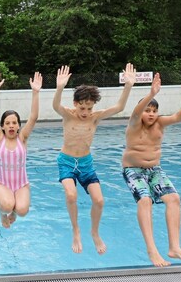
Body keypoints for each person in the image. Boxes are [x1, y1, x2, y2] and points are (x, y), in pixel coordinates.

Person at [122, 73, 181, 267]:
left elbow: (178, 116)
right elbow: (136, 113)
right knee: (145, 200)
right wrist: (151, 92)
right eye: (147, 110)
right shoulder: (135, 124)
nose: (150, 114)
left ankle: (174, 247)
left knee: (174, 199)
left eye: (154, 110)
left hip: (154, 170)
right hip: (133, 170)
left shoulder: (160, 123)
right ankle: (152, 251)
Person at [52, 63, 136, 255]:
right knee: (71, 195)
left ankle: (95, 232)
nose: (85, 113)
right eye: (82, 108)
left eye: (89, 108)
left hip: (86, 163)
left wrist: (128, 85)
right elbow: (55, 105)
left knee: (99, 201)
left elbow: (119, 107)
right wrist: (59, 88)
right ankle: (76, 231)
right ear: (75, 104)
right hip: (66, 161)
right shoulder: (68, 115)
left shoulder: (95, 117)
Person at [0, 71, 42, 228]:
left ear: (18, 125)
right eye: (7, 123)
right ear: (3, 126)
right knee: (6, 205)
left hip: (22, 184)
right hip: (3, 183)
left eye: (14, 123)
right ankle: (2, 213)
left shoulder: (22, 138)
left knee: (23, 211)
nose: (11, 125)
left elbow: (34, 117)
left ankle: (14, 213)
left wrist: (36, 92)